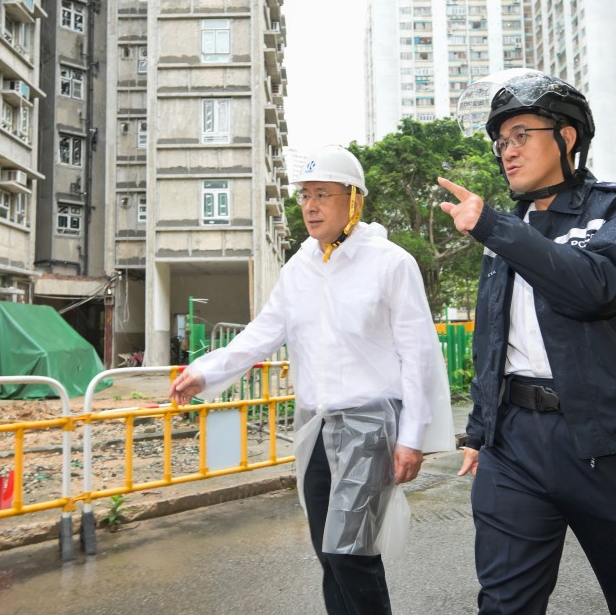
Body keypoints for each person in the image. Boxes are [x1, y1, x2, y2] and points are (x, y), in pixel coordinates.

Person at [439, 69, 616, 614]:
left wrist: (494, 227)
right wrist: (481, 431)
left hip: (606, 439)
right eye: (500, 141)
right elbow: (493, 338)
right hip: (514, 442)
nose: (506, 152)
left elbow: (593, 288)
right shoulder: (503, 229)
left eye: (520, 136)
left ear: (567, 136)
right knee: (505, 601)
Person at [169, 145, 455, 614]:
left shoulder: (389, 263)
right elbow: (263, 333)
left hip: (370, 425)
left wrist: (412, 438)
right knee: (329, 551)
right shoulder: (298, 266)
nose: (311, 206)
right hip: (317, 426)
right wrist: (203, 371)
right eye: (305, 195)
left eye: (323, 194)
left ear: (354, 200)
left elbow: (418, 355)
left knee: (351, 551)